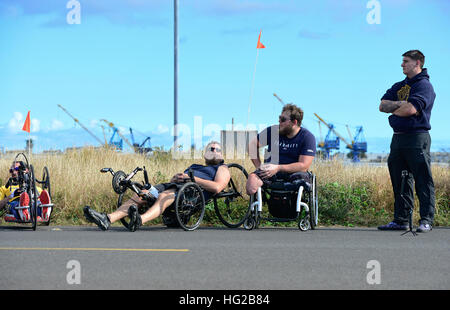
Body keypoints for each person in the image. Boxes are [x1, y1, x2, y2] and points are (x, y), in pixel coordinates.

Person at [83, 141, 231, 231]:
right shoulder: (195, 165)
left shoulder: (222, 169)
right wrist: (176, 177)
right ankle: (107, 219)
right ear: (204, 154)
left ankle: (140, 220)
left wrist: (191, 178)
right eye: (210, 149)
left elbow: (217, 187)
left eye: (216, 149)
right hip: (173, 186)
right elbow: (177, 180)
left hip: (191, 194)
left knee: (163, 196)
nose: (213, 151)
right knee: (142, 193)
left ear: (221, 154)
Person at [378, 50, 436, 233]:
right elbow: (382, 106)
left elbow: (410, 110)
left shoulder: (424, 86)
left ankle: (426, 220)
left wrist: (397, 107)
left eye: (406, 61)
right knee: (401, 180)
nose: (402, 64)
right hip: (398, 138)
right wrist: (400, 105)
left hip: (417, 138)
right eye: (402, 61)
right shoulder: (398, 85)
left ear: (417, 63)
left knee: (422, 180)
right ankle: (401, 220)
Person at [246, 104, 316, 196]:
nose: (279, 121)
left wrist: (278, 168)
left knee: (302, 183)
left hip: (294, 173)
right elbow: (252, 145)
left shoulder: (307, 137)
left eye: (283, 119)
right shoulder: (273, 131)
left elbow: (303, 166)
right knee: (251, 186)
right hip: (269, 171)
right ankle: (260, 204)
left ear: (294, 122)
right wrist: (259, 166)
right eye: (279, 118)